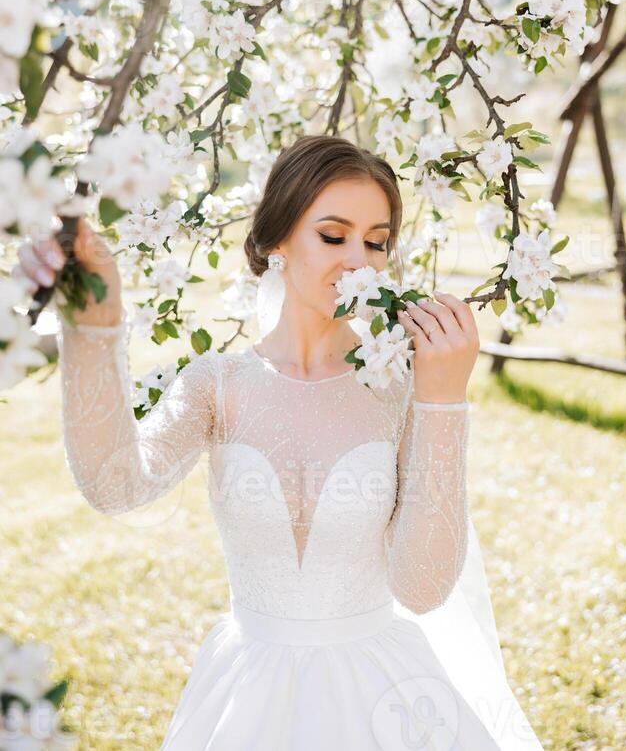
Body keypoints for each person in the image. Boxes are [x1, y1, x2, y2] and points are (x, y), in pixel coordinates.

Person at [20, 135, 544, 749]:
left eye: (376, 242)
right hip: (248, 698)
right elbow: (114, 486)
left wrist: (443, 399)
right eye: (333, 235)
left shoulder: (397, 386)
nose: (360, 262)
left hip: (386, 702)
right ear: (277, 242)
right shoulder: (218, 384)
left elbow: (422, 589)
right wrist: (94, 324)